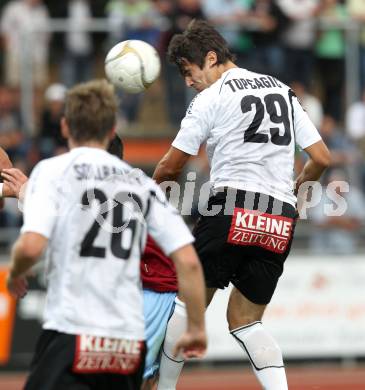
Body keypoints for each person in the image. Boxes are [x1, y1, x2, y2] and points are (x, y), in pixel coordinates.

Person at [153, 20, 331, 390]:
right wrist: (298, 194)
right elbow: (321, 158)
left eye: (188, 71)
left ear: (211, 58)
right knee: (247, 322)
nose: (187, 81)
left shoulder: (210, 98)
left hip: (230, 207)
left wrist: (148, 197)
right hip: (279, 216)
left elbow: (172, 165)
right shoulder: (282, 89)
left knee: (186, 307)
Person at [5, 79, 207, 390]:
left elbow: (33, 245)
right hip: (126, 340)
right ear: (112, 129)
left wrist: (16, 273)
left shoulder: (54, 170)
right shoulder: (141, 185)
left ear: (64, 127)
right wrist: (195, 326)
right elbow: (190, 263)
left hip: (75, 330)